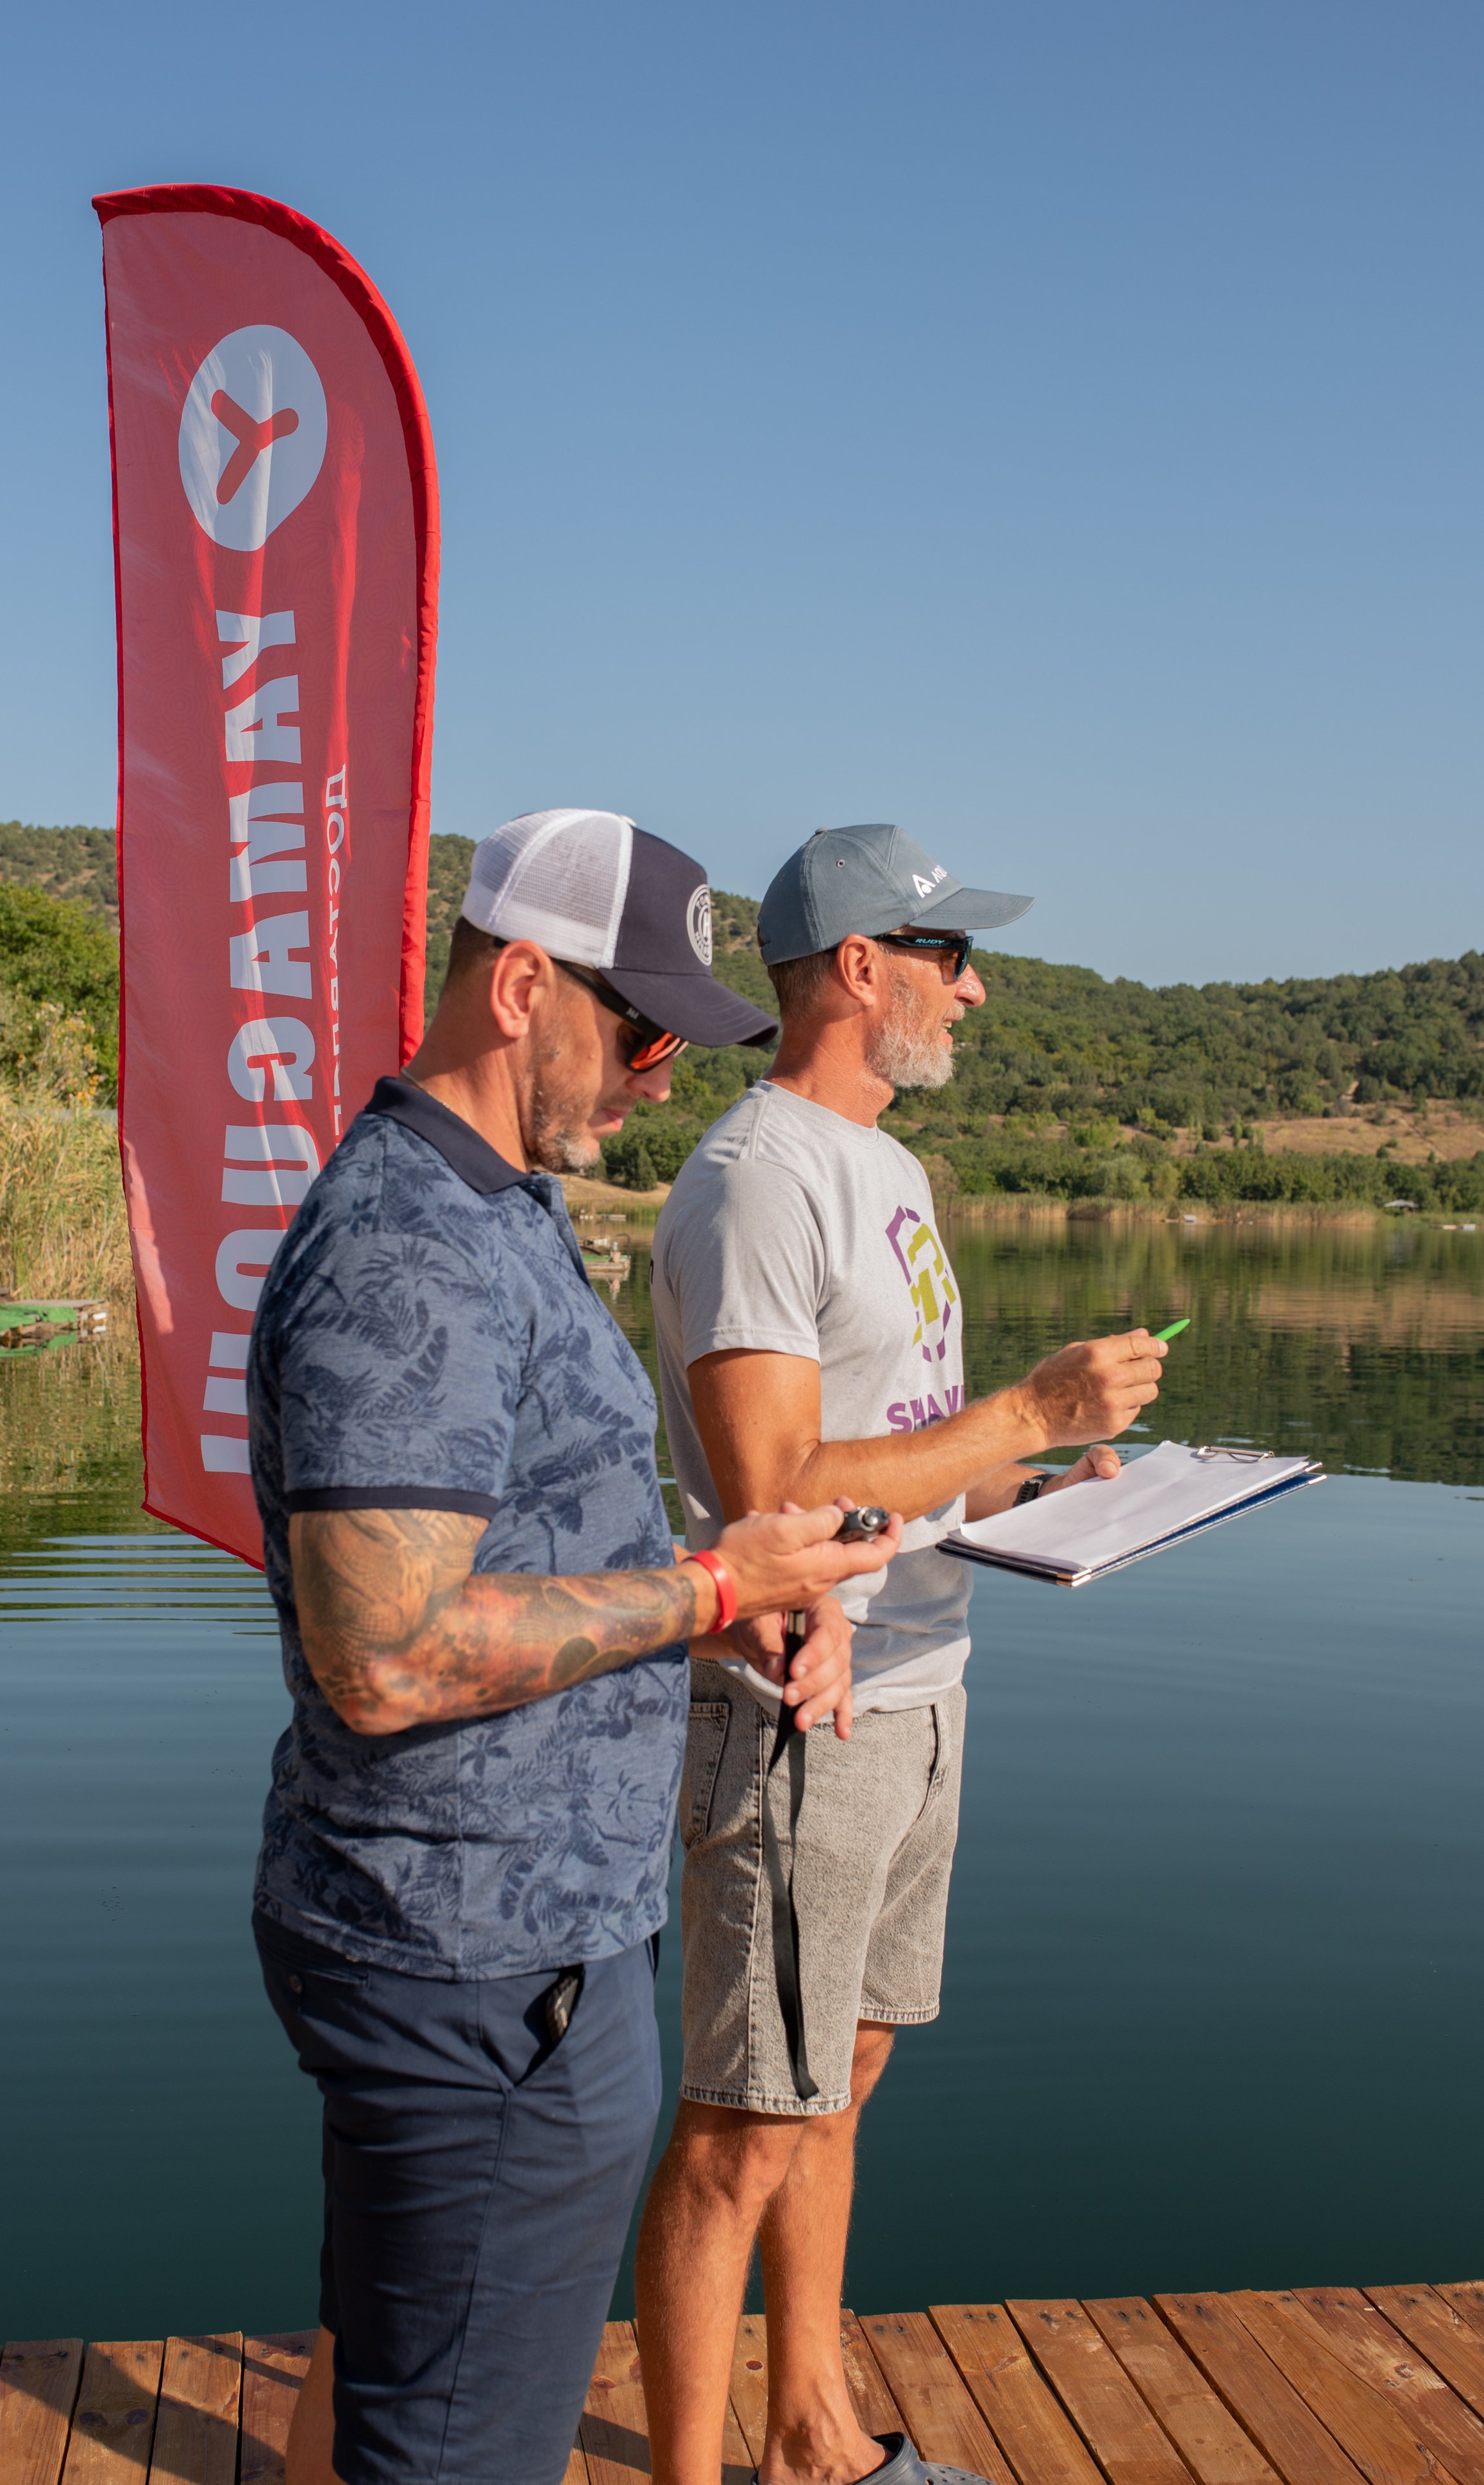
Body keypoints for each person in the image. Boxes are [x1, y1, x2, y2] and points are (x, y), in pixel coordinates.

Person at [244, 808, 904, 2485]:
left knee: (393, 2382)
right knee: (456, 2448)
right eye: (643, 1034)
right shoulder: (407, 1248)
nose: (657, 1081)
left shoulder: (498, 1201)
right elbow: (387, 1651)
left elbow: (527, 1564)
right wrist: (709, 1591)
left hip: (498, 1948)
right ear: (523, 984)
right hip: (474, 1968)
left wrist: (739, 1603)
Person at [637, 822, 1170, 2485]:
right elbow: (776, 1490)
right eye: (950, 956)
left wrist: (1045, 1479)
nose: (975, 988)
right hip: (799, 1705)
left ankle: (813, 2438)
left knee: (843, 2074)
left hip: (923, 1685)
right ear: (859, 967)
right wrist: (1028, 1405)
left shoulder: (894, 1176)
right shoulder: (757, 1177)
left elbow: (912, 1452)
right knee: (742, 2123)